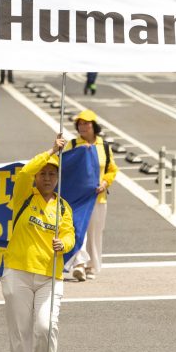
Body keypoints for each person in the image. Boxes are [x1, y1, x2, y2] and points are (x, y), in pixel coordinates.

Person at [2, 137, 75, 352]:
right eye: (43, 173)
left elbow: (70, 236)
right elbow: (25, 171)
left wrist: (63, 243)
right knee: (20, 331)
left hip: (49, 276)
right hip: (17, 272)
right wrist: (52, 151)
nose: (46, 177)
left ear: (58, 178)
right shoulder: (23, 194)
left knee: (45, 327)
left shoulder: (63, 207)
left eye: (52, 173)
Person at [67, 110, 117, 281]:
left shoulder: (103, 146)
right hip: (77, 198)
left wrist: (104, 183)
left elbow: (112, 169)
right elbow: (64, 165)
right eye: (79, 124)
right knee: (77, 230)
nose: (82, 127)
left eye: (86, 123)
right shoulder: (73, 145)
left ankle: (91, 266)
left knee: (95, 233)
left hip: (98, 198)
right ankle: (78, 264)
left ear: (94, 126)